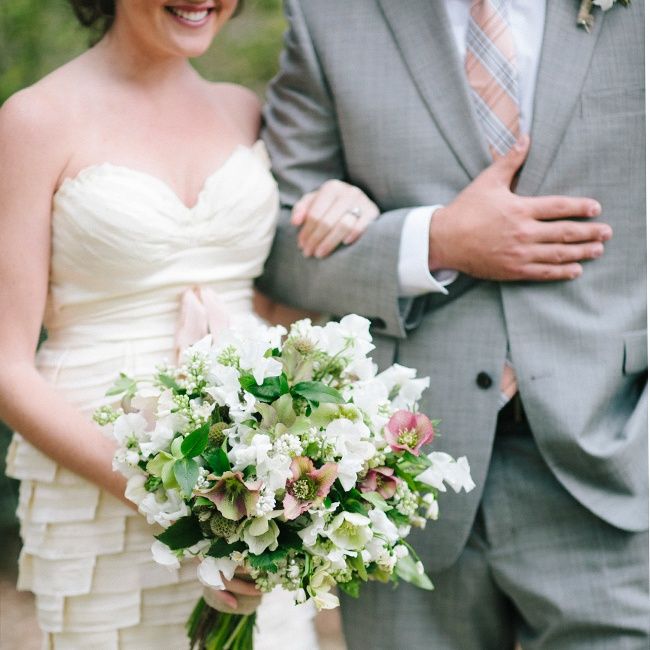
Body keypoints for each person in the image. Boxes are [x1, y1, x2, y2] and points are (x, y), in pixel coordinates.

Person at [258, 1, 648, 648]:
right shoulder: (329, 16)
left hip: (617, 461)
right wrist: (432, 241)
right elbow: (273, 246)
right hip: (399, 479)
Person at [0, 1, 381, 647]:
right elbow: (5, 364)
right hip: (100, 475)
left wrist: (348, 212)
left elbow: (281, 312)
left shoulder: (244, 109)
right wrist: (176, 498)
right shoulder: (35, 120)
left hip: (257, 471)